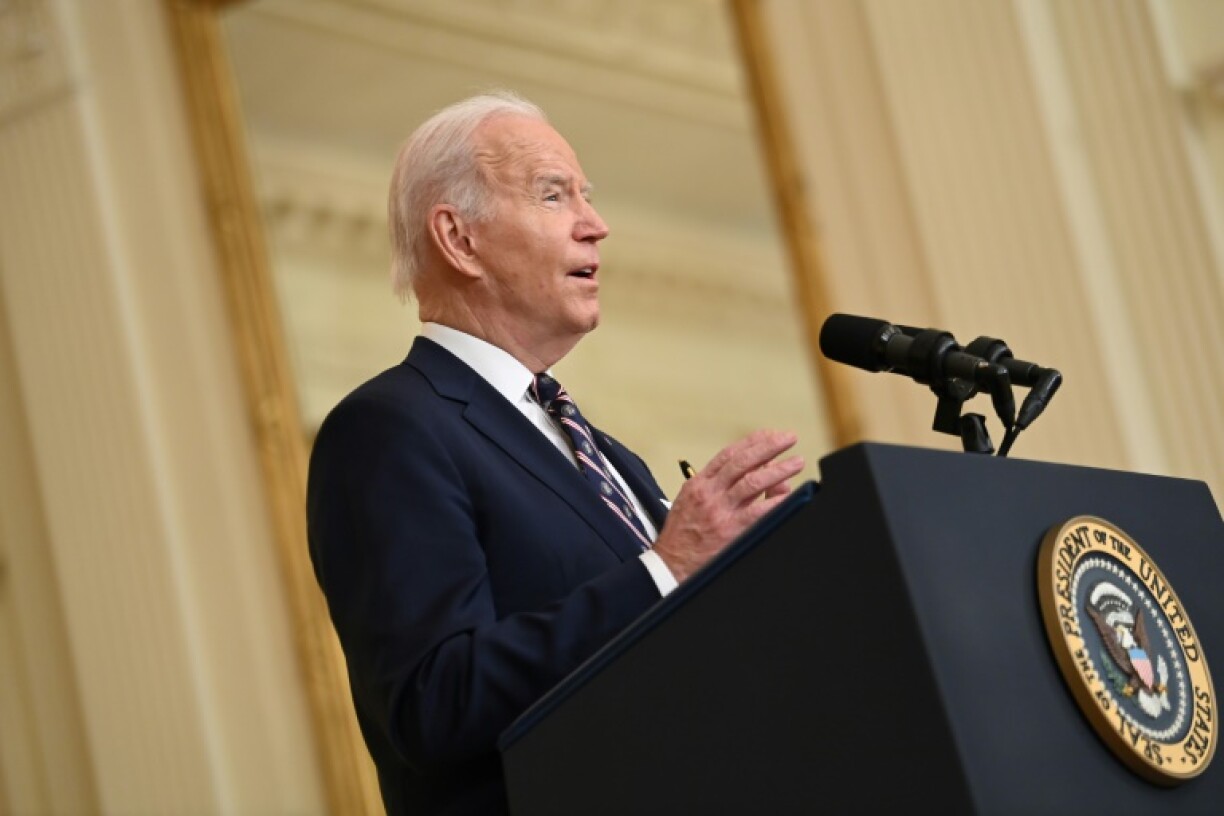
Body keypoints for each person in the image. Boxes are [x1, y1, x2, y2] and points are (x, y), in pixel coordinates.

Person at [306, 91, 803, 815]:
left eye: (587, 198)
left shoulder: (612, 459)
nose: (596, 226)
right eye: (553, 195)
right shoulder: (390, 428)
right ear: (459, 238)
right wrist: (664, 569)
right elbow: (434, 700)